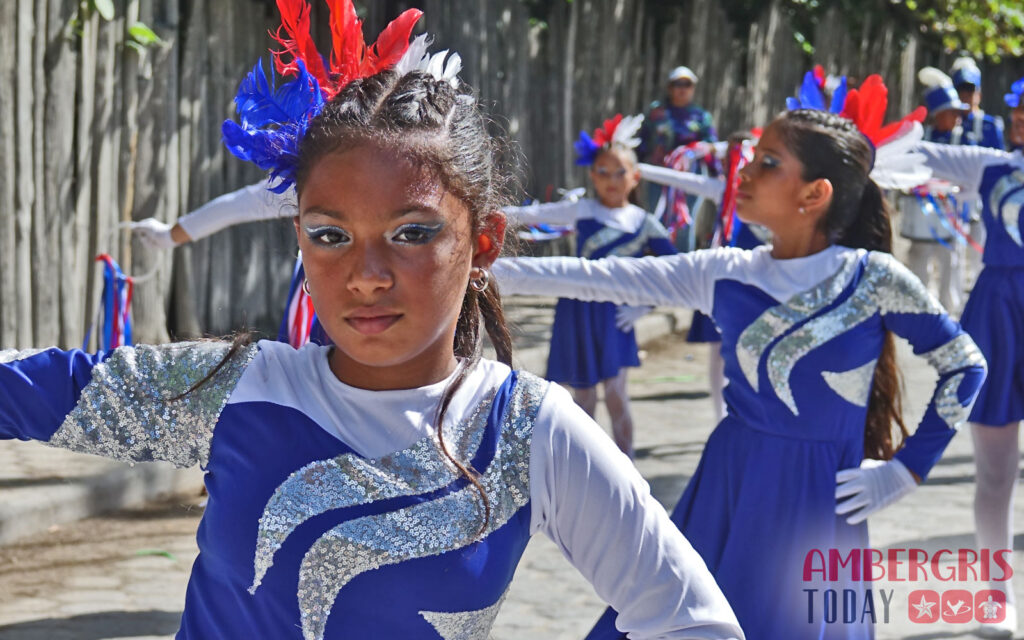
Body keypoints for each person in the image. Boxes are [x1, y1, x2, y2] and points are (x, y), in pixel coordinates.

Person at [0, 3, 746, 639]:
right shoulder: (234, 389)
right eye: (330, 235)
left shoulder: (527, 431)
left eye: (413, 233)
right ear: (299, 236)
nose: (366, 274)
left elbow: (692, 619)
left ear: (482, 240)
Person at [493, 81, 987, 638]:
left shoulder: (873, 280)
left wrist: (906, 469)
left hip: (820, 501)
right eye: (751, 158)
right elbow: (591, 277)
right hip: (729, 485)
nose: (743, 173)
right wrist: (478, 266)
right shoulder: (726, 271)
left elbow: (965, 364)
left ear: (814, 194)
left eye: (767, 162)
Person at [502, 114, 677, 457]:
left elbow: (672, 271)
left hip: (615, 315)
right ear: (591, 175)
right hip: (577, 310)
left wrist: (643, 306)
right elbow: (529, 216)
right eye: (602, 172)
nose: (611, 180)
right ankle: (587, 469)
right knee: (583, 397)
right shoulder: (581, 210)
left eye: (620, 172)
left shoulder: (645, 223)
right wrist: (483, 211)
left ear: (635, 176)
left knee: (616, 393)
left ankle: (625, 466)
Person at [916, 122, 1024, 638]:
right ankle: (997, 596)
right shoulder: (991, 164)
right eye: (1021, 108)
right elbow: (913, 151)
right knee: (996, 471)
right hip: (1000, 313)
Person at [636, 132, 766, 424]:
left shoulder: (770, 195)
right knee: (719, 350)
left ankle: (748, 413)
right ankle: (720, 416)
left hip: (758, 284)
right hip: (725, 280)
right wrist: (641, 169)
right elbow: (681, 180)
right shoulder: (722, 190)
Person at [131, 183, 329, 347]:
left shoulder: (318, 174)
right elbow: (245, 203)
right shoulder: (315, 175)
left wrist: (167, 237)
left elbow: (242, 204)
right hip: (321, 296)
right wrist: (167, 236)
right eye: (335, 235)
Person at [900, 67, 972, 312]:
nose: (957, 117)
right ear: (938, 114)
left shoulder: (965, 140)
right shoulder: (922, 138)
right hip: (923, 214)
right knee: (919, 260)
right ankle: (918, 309)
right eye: (951, 112)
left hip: (953, 214)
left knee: (951, 262)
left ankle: (949, 312)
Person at [639, 66, 718, 251]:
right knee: (655, 218)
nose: (682, 88)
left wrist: (715, 173)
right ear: (669, 87)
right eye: (677, 84)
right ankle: (653, 264)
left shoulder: (701, 117)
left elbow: (710, 145)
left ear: (693, 88)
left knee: (685, 221)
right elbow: (643, 140)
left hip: (690, 176)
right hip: (659, 173)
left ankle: (682, 267)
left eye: (687, 84)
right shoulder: (656, 113)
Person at [951, 57, 1005, 290]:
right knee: (952, 252)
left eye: (970, 89)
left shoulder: (991, 126)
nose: (966, 95)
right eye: (961, 89)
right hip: (953, 198)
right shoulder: (948, 126)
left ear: (979, 93)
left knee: (980, 249)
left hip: (982, 199)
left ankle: (978, 292)